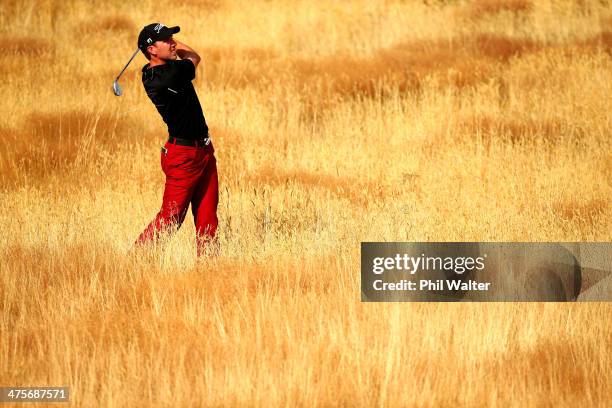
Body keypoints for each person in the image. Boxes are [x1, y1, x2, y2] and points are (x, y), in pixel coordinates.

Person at [134, 23, 218, 257]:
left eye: (173, 38)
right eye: (167, 40)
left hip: (203, 150)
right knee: (171, 218)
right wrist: (174, 48)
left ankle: (209, 270)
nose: (173, 43)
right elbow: (193, 56)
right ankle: (136, 261)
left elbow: (188, 56)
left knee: (208, 217)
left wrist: (165, 43)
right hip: (183, 157)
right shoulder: (166, 76)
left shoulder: (159, 70)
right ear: (151, 50)